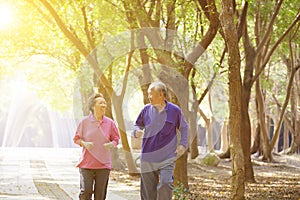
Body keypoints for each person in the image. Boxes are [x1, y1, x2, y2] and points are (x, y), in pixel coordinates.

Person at [133, 81, 188, 200]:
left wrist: (183, 144)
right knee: (148, 193)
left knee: (165, 183)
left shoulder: (175, 111)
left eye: (151, 94)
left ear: (161, 95)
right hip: (148, 157)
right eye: (148, 94)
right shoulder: (146, 110)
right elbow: (137, 125)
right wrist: (136, 131)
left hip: (167, 157)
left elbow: (184, 127)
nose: (149, 97)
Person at [73, 93, 120, 200]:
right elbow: (76, 139)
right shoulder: (84, 122)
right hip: (86, 164)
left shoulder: (110, 123)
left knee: (100, 196)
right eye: (100, 103)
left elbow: (116, 139)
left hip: (103, 166)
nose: (104, 105)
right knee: (86, 192)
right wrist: (84, 143)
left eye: (104, 103)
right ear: (93, 106)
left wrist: (111, 144)